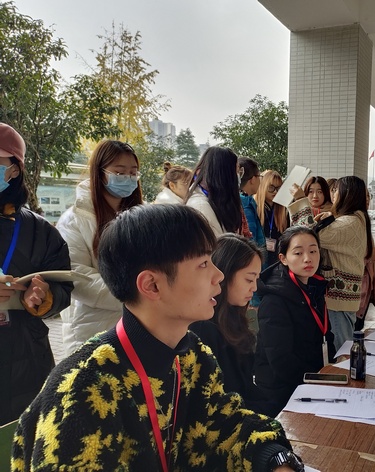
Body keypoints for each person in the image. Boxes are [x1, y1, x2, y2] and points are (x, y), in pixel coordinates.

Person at [12, 204, 304, 472]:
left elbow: (228, 425)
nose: (218, 276)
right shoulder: (82, 391)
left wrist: (277, 461)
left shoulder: (192, 357)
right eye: (203, 264)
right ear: (151, 285)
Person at [0, 123, 72, 425]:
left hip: (25, 358)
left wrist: (43, 297)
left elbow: (63, 285)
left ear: (14, 170)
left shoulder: (39, 230)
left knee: (23, 436)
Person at [57, 140, 143, 357]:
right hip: (92, 328)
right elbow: (76, 275)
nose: (128, 178)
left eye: (133, 173)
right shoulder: (74, 220)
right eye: (119, 172)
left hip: (140, 324)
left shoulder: (143, 217)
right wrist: (135, 296)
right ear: (100, 172)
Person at [189, 234, 275, 416]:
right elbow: (222, 403)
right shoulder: (202, 329)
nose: (254, 288)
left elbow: (246, 388)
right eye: (249, 279)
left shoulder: (234, 319)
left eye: (256, 279)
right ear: (224, 275)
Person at [255, 226, 336, 414]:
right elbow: (281, 361)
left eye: (313, 251)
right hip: (282, 392)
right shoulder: (274, 300)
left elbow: (326, 334)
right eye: (298, 253)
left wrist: (333, 365)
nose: (308, 258)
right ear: (283, 258)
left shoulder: (314, 287)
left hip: (311, 380)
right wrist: (318, 381)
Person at [290, 176, 373, 350]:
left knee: (341, 350)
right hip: (342, 297)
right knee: (342, 345)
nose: (332, 193)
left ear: (347, 193)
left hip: (338, 299)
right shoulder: (356, 219)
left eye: (336, 190)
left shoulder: (349, 223)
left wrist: (300, 200)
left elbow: (309, 235)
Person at [186, 146, 247, 238]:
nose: (238, 177)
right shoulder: (201, 208)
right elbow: (220, 246)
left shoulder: (215, 202)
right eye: (236, 172)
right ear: (224, 176)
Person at [255, 170, 288, 267]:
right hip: (259, 258)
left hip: (277, 260)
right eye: (271, 187)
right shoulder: (254, 207)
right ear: (263, 186)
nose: (275, 191)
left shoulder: (283, 210)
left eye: (278, 188)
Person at [355, 243, 375, 331]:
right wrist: (368, 257)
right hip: (356, 293)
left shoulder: (366, 237)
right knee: (353, 329)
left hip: (367, 292)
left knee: (359, 327)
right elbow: (351, 262)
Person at [238, 156, 266, 253]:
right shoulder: (246, 205)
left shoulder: (240, 200)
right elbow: (251, 242)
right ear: (253, 179)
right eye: (259, 177)